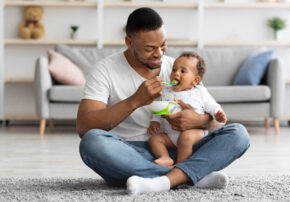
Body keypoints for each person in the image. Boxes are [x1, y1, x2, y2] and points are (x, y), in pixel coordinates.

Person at [77, 7, 250, 195]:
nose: (159, 54)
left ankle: (162, 179)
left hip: (182, 149)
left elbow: (217, 121)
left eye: (163, 45)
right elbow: (85, 127)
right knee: (91, 143)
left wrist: (199, 120)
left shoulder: (178, 68)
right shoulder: (104, 71)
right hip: (131, 154)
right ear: (129, 42)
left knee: (239, 134)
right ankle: (190, 175)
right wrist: (135, 100)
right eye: (150, 49)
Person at [148, 52, 227, 168]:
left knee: (185, 138)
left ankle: (181, 167)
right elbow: (161, 108)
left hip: (193, 135)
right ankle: (165, 157)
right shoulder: (166, 90)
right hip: (171, 136)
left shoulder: (200, 92)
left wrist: (218, 114)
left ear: (195, 80)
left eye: (183, 71)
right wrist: (155, 122)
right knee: (155, 139)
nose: (176, 74)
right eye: (174, 70)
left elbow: (212, 106)